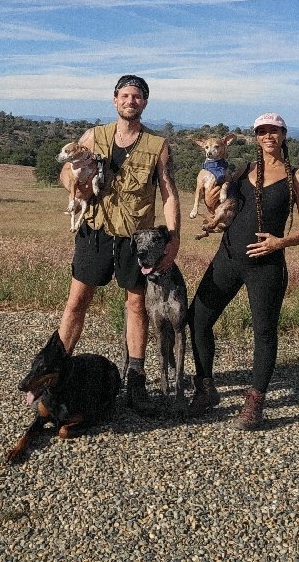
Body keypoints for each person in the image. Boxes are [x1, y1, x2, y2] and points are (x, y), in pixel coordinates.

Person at [57, 75, 180, 415]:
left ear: (145, 103)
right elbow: (66, 175)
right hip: (95, 232)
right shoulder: (93, 137)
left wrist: (174, 237)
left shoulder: (158, 145)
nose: (131, 101)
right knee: (76, 303)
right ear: (114, 100)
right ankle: (56, 371)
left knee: (136, 306)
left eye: (137, 96)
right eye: (125, 96)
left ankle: (136, 379)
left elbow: (168, 192)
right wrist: (75, 180)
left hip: (136, 240)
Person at [187, 112, 299, 429]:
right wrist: (207, 200)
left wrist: (279, 242)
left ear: (284, 135)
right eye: (262, 131)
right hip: (227, 258)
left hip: (266, 266)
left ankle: (254, 404)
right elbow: (218, 206)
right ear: (256, 137)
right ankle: (205, 388)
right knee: (197, 318)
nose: (268, 136)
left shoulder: (295, 176)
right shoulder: (244, 170)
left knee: (264, 333)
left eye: (274, 131)